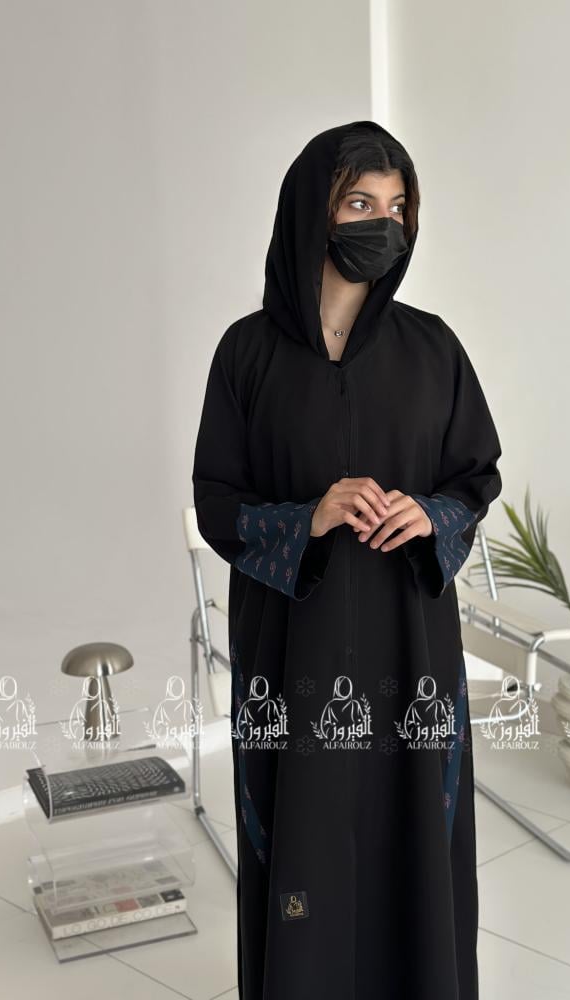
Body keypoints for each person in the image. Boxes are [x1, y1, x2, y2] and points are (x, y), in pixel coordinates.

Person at [192, 120, 503, 1000]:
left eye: (398, 208)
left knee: (416, 833)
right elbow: (218, 504)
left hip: (411, 649)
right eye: (360, 202)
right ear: (312, 211)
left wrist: (430, 513)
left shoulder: (432, 349)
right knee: (302, 841)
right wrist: (310, 517)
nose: (383, 223)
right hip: (295, 650)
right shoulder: (247, 355)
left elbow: (475, 477)